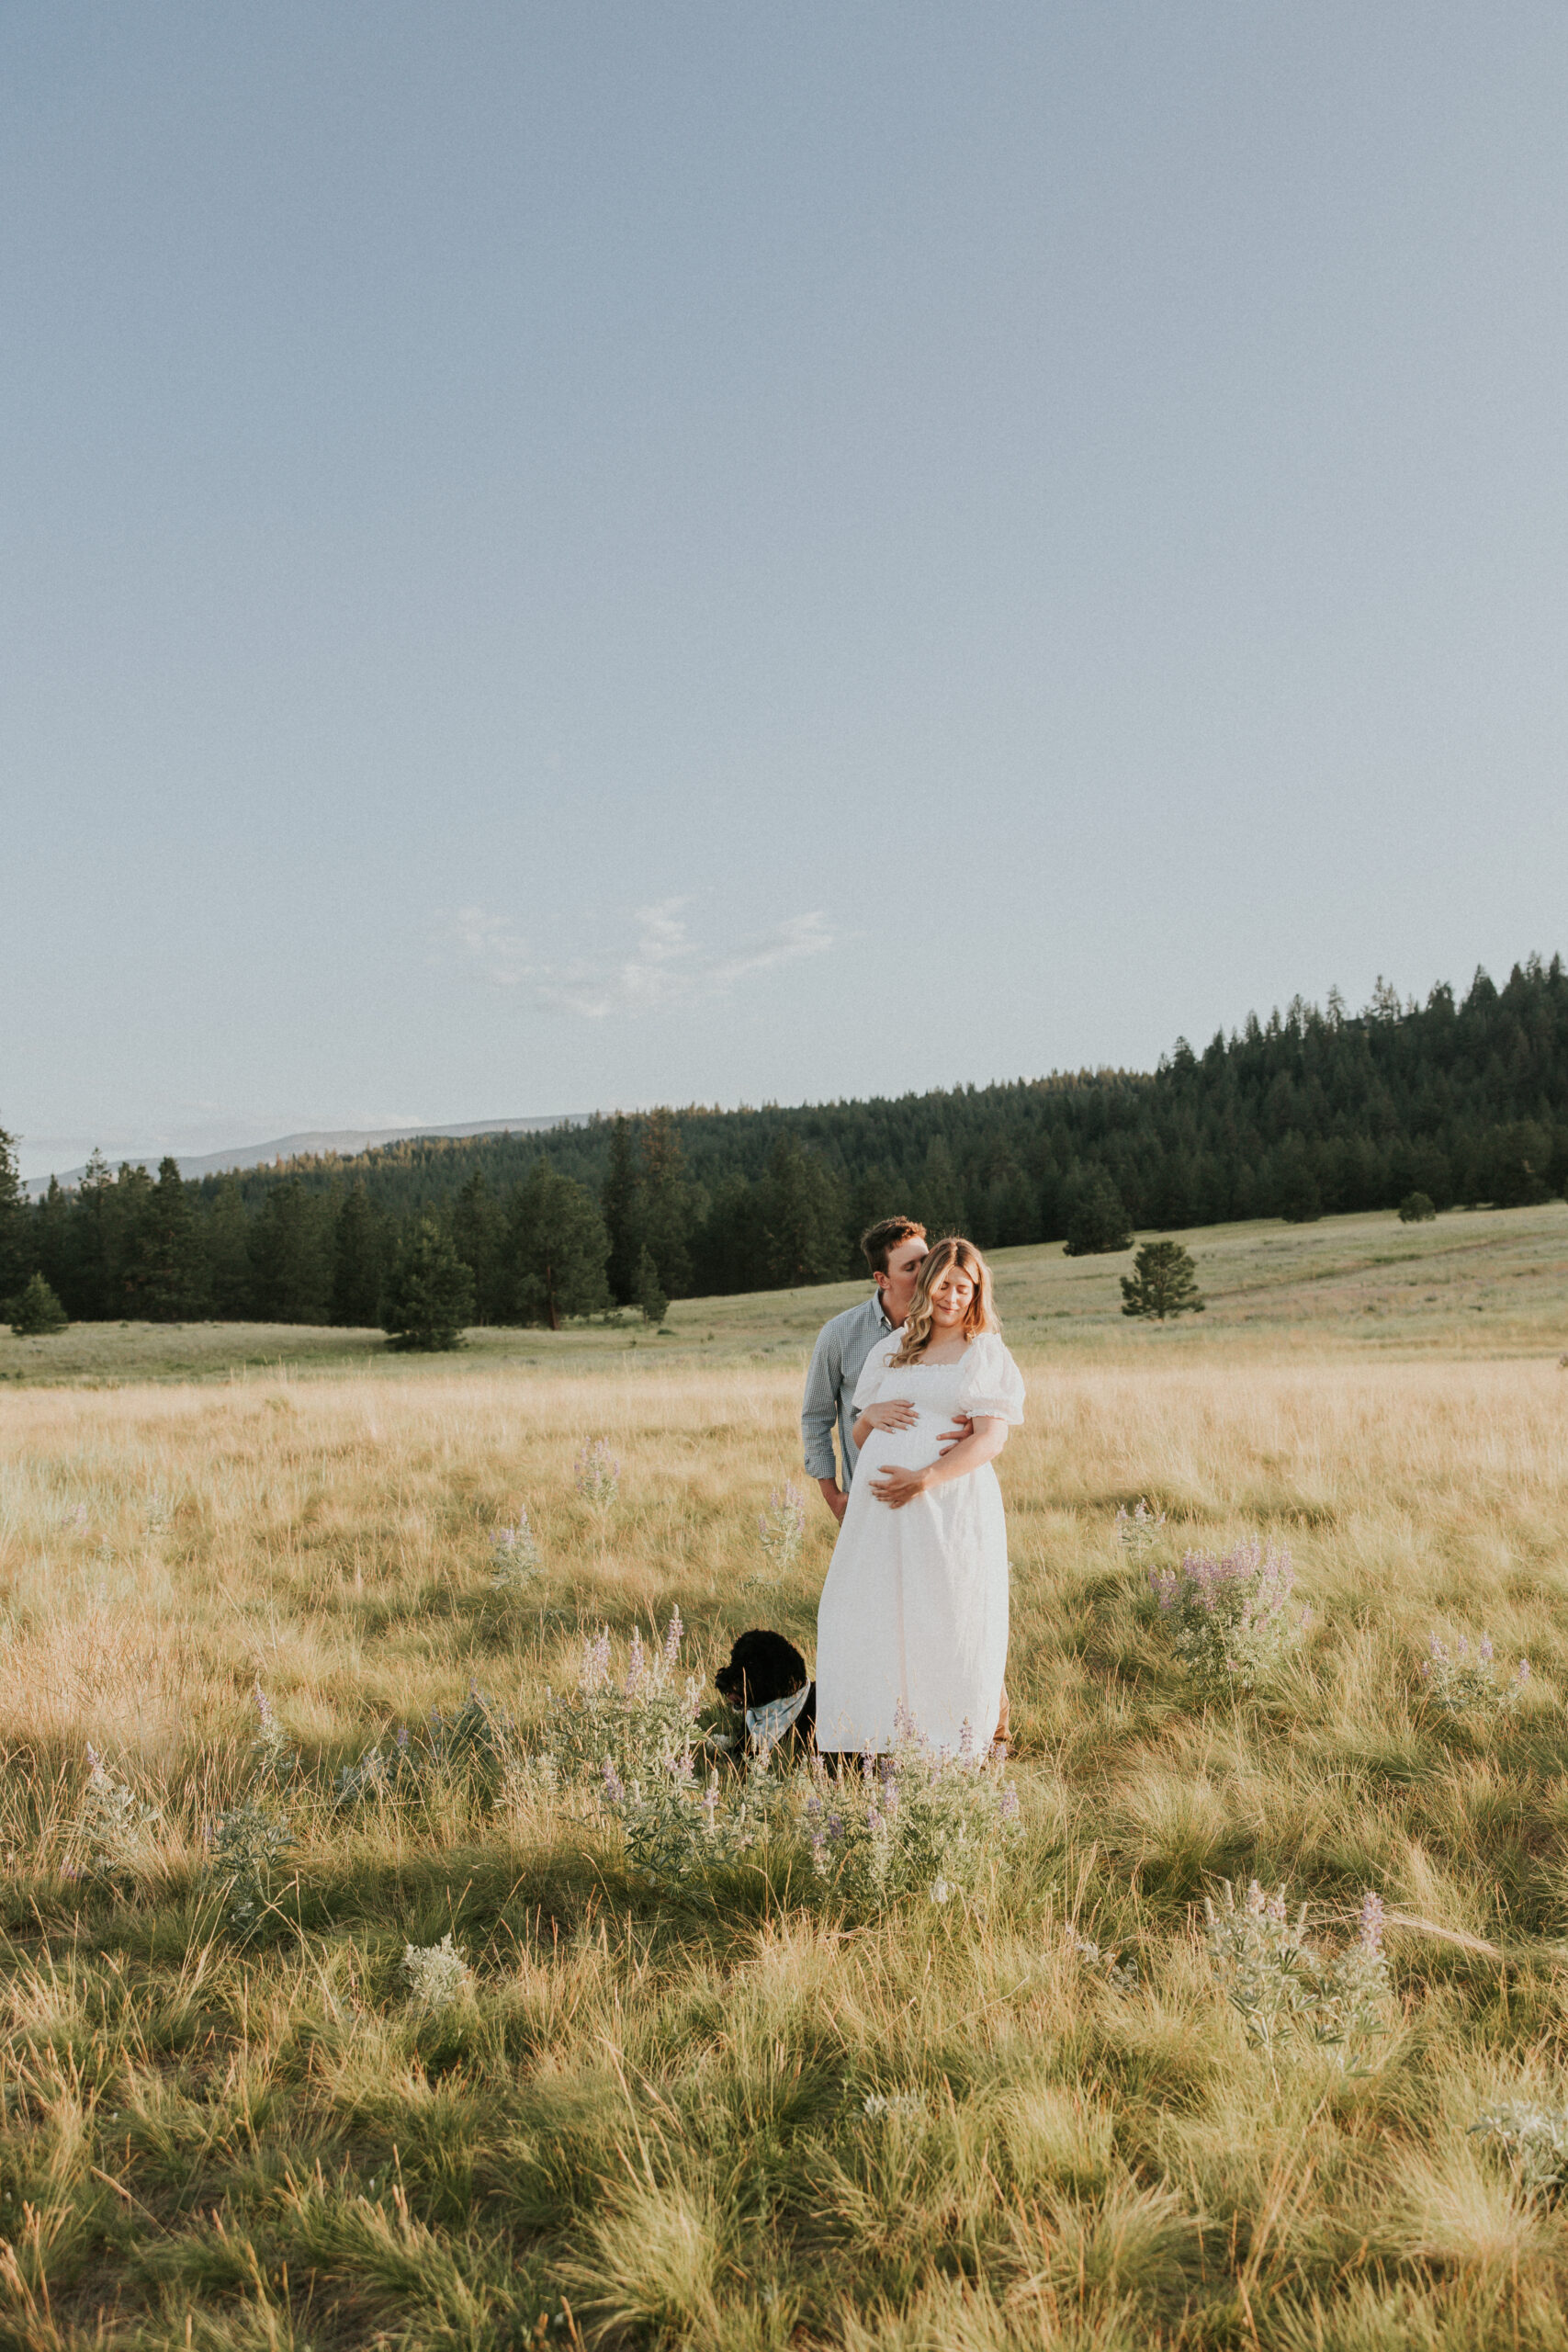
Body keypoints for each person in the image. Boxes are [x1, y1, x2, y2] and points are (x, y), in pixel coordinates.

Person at [814, 1237, 1024, 1759]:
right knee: (869, 1611)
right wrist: (869, 1419)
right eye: (943, 1284)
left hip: (946, 1505)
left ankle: (955, 1740)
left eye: (964, 1287)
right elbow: (861, 1435)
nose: (952, 1297)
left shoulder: (983, 1350)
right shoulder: (895, 1346)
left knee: (945, 1614)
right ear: (927, 1285)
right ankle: (876, 1734)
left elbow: (990, 1437)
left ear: (978, 1292)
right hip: (880, 1514)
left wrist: (924, 1477)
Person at [801, 1216, 935, 1526]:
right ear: (882, 1279)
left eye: (926, 1261)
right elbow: (815, 1417)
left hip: (934, 1493)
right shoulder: (839, 1333)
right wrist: (832, 1496)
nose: (924, 1273)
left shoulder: (947, 1327)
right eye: (909, 1267)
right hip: (868, 1497)